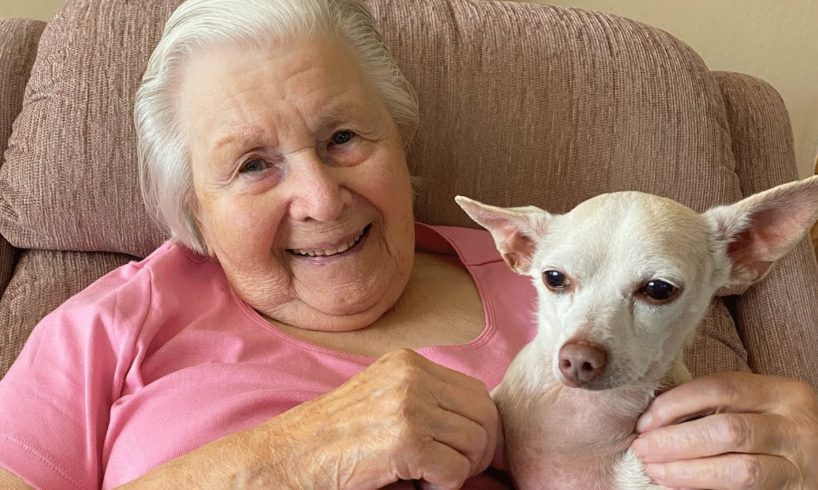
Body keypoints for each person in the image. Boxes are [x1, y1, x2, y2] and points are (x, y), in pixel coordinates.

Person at [0, 0, 815, 488]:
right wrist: (292, 458)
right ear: (193, 210)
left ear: (402, 143)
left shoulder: (557, 269)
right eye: (253, 165)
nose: (320, 197)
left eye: (345, 137)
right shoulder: (107, 325)